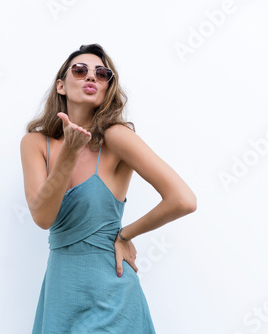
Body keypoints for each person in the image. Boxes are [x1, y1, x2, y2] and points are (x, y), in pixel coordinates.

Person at [20, 43, 197, 333]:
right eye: (80, 70)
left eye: (102, 74)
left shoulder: (117, 138)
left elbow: (183, 199)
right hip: (61, 294)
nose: (91, 77)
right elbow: (42, 218)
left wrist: (125, 234)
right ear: (61, 86)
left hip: (112, 297)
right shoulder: (35, 144)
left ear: (107, 89)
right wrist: (68, 155)